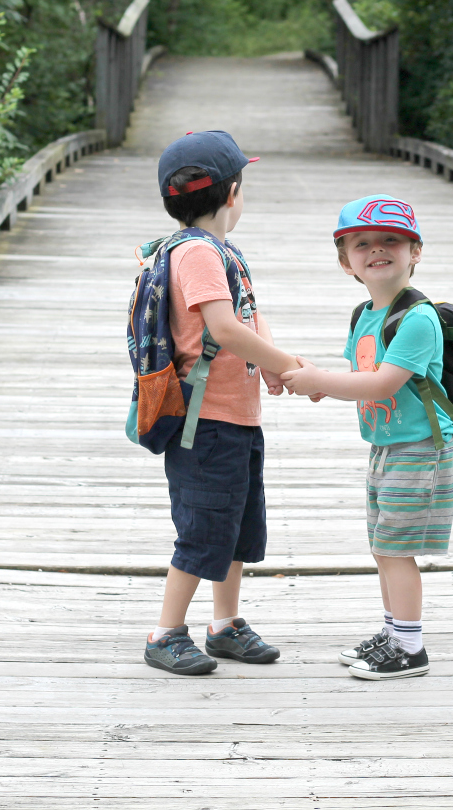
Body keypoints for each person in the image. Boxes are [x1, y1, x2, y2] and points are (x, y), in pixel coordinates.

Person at [281, 195, 453, 680]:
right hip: (386, 447)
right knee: (383, 546)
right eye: (362, 244)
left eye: (391, 241)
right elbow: (359, 375)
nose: (377, 250)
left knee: (397, 549)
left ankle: (410, 647)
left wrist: (321, 382)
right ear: (346, 262)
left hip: (422, 449)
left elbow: (383, 383)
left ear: (415, 251)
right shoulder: (365, 314)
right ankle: (393, 632)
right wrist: (319, 383)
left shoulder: (419, 318)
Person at [143, 131, 301, 676]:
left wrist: (273, 362)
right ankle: (164, 633)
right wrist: (285, 364)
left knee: (234, 526)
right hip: (203, 423)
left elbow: (250, 316)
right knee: (202, 530)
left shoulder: (223, 252)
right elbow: (223, 327)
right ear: (232, 192)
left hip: (236, 416)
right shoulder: (198, 254)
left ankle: (225, 624)